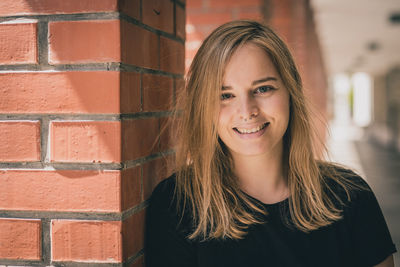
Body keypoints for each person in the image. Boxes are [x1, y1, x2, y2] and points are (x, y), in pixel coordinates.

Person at [145, 20, 397, 267]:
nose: (247, 111)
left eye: (263, 88)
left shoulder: (350, 196)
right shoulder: (176, 205)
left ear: (290, 91)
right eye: (225, 95)